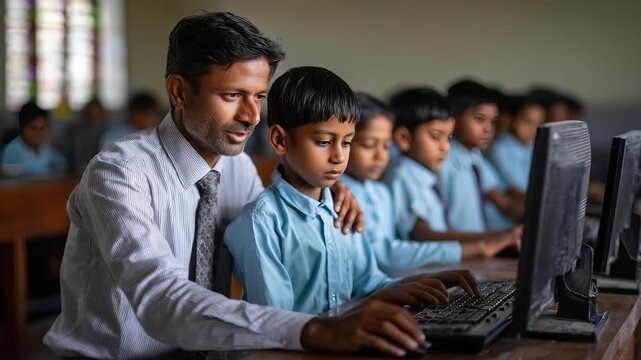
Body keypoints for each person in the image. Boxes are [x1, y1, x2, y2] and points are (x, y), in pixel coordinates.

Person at [44, 12, 441, 358]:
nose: (252, 117)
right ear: (180, 92)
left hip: (215, 354)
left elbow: (277, 233)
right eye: (233, 95)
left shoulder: (237, 168)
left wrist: (330, 192)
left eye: (259, 97)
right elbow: (160, 299)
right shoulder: (119, 174)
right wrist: (315, 330)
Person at [224, 67, 478, 317]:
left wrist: (420, 282)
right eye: (324, 142)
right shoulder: (262, 223)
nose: (338, 156)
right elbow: (277, 325)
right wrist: (375, 301)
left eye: (347, 142)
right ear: (280, 140)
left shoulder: (343, 208)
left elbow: (370, 285)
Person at [380, 88, 520, 256]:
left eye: (448, 138)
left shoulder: (423, 174)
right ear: (404, 138)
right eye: (435, 136)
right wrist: (492, 241)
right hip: (428, 271)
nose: (445, 147)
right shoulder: (403, 175)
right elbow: (424, 236)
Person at [439, 80, 524, 232]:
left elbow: (504, 204)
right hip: (461, 249)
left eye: (493, 122)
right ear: (453, 119)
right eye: (479, 119)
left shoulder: (474, 155)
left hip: (482, 244)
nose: (488, 129)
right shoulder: (442, 160)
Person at [487, 95, 545, 201]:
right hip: (507, 213)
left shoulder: (531, 145)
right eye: (528, 122)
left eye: (538, 123)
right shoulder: (500, 149)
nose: (534, 129)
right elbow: (514, 190)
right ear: (511, 119)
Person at [1, 101, 67, 177]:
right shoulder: (11, 151)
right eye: (33, 128)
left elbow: (62, 165)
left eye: (42, 128)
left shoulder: (47, 148)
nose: (38, 133)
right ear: (23, 128)